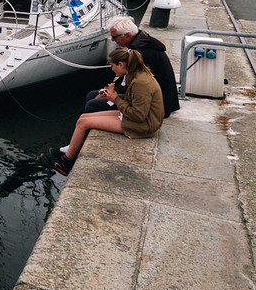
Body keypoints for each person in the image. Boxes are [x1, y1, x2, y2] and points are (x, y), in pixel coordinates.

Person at [42, 48, 164, 176]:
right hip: (137, 119)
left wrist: (115, 99)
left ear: (121, 64)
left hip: (144, 125)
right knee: (84, 117)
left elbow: (139, 115)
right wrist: (111, 96)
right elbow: (133, 102)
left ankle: (66, 163)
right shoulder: (136, 75)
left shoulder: (140, 83)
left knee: (83, 124)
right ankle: (70, 152)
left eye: (112, 66)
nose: (112, 69)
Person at [84, 15, 179, 118]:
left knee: (93, 104)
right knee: (92, 95)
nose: (111, 39)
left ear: (127, 35)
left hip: (154, 105)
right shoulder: (143, 43)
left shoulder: (140, 53)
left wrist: (113, 93)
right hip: (157, 97)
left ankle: (86, 123)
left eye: (114, 36)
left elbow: (134, 84)